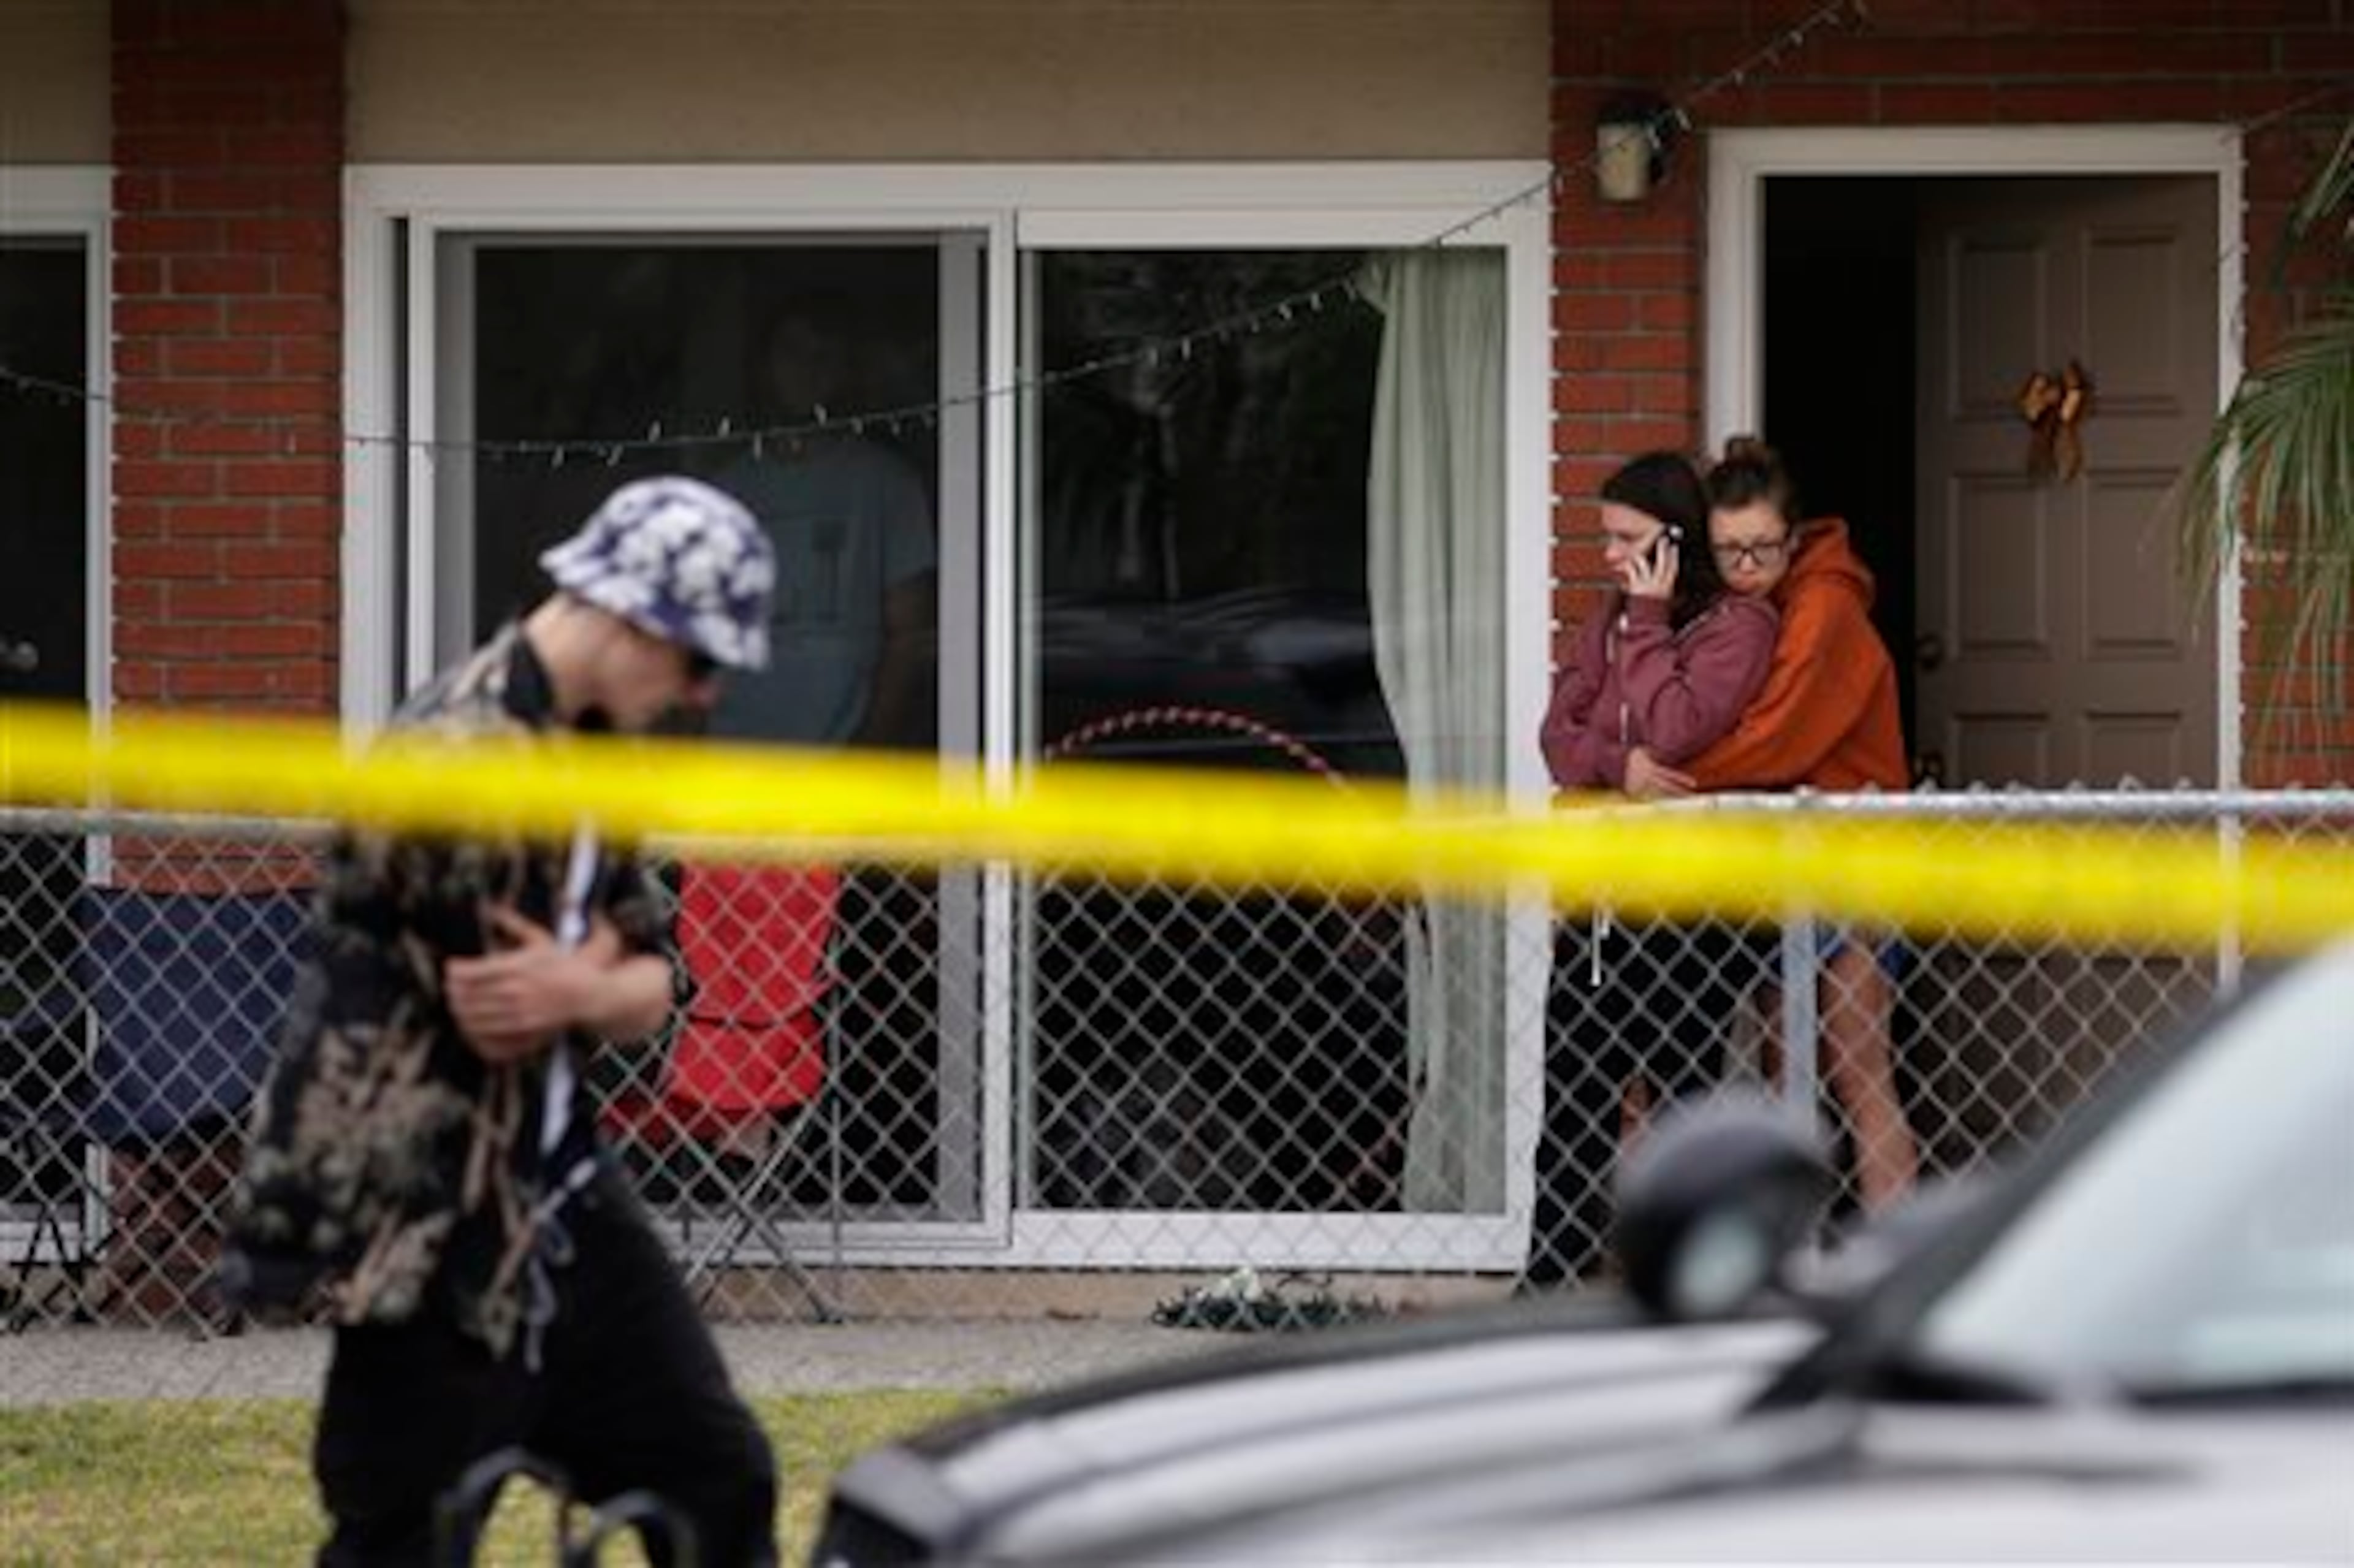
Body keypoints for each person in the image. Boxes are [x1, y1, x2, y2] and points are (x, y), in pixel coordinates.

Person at [218, 476, 783, 1566]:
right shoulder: (456, 752)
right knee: (407, 1530)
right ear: (630, 620)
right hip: (437, 1221)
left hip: (570, 1196)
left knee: (719, 1477)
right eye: (698, 659)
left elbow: (652, 980)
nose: (702, 694)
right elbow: (503, 1009)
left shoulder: (592, 750)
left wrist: (594, 984)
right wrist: (591, 982)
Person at [1627, 436, 1921, 1211]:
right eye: (1730, 550)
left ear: (1794, 539)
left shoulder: (1825, 608)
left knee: (1857, 1072)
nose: (1748, 563)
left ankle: (1888, 1259)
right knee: (1786, 1071)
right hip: (1778, 865)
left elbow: (1776, 735)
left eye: (1763, 546)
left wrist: (1666, 778)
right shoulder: (1755, 610)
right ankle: (1794, 1260)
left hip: (1848, 863)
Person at [1523, 451, 1778, 1290]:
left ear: (1673, 543)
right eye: (1606, 537)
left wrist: (1648, 617)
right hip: (1601, 902)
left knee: (1681, 1100)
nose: (1608, 555)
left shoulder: (1739, 628)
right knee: (1574, 1092)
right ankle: (1553, 1272)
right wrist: (1619, 767)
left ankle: (1682, 1280)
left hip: (1687, 909)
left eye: (1625, 538)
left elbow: (1673, 728)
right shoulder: (1607, 621)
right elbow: (1560, 738)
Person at [712, 297, 937, 752]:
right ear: (764, 368)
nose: (807, 368)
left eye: (824, 355)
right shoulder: (724, 491)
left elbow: (908, 632)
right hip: (731, 765)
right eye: (792, 352)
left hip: (840, 767)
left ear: (844, 371)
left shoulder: (886, 484)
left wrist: (869, 748)